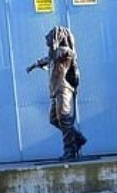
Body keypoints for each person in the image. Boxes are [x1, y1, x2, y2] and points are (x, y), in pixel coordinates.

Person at [26, 26, 87, 161]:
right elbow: (48, 59)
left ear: (57, 37)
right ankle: (78, 138)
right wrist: (35, 65)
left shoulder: (66, 52)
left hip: (63, 90)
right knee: (54, 119)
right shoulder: (54, 54)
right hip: (55, 91)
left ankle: (69, 151)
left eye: (50, 36)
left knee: (64, 119)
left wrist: (55, 45)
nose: (47, 39)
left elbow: (55, 55)